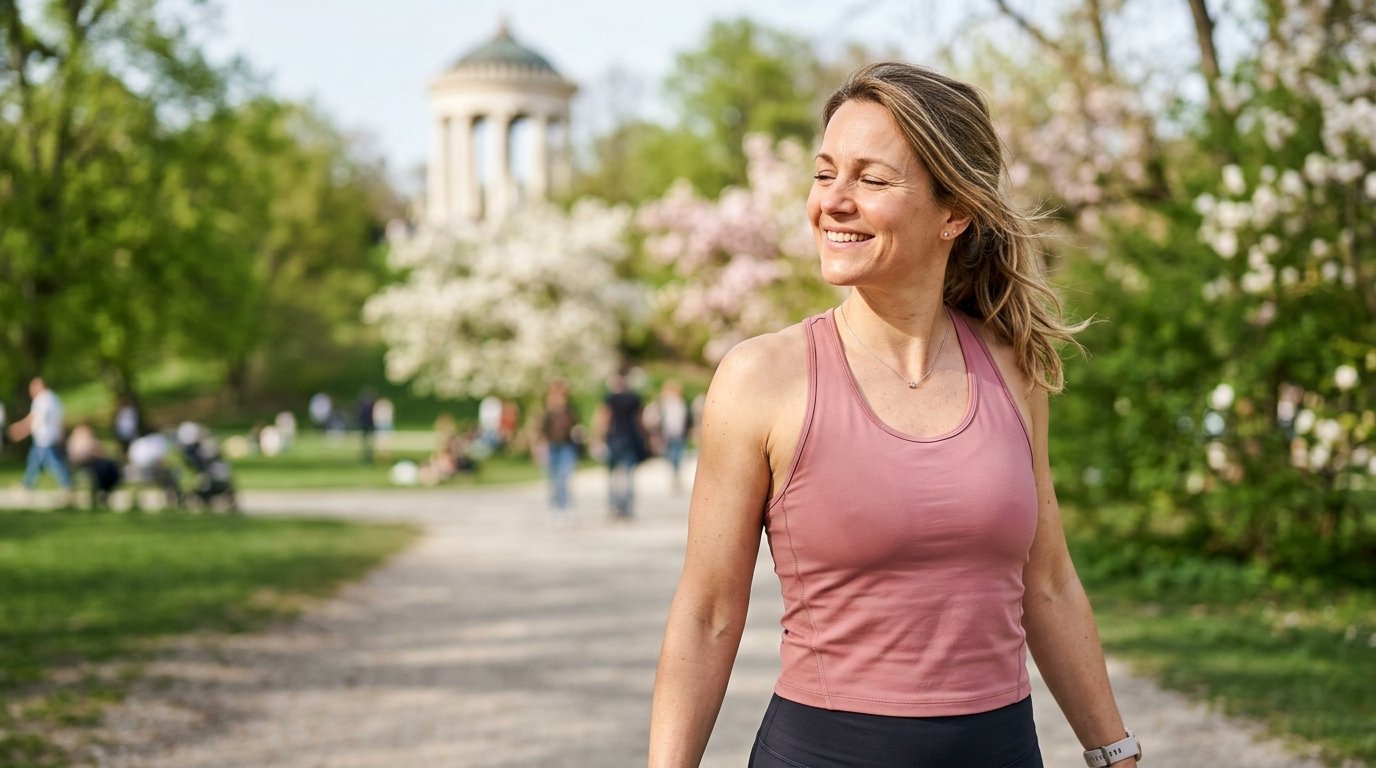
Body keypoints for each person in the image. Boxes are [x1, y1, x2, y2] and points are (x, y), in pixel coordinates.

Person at [649, 63, 1140, 768]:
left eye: (872, 180)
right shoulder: (760, 380)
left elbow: (1049, 582)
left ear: (954, 212)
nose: (834, 202)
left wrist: (1115, 752)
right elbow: (708, 616)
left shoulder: (1012, 367)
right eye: (825, 175)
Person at [8, 377, 75, 497]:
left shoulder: (42, 400)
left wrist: (20, 430)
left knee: (53, 462)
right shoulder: (53, 398)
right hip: (50, 436)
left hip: (44, 438)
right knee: (35, 461)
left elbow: (36, 419)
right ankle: (27, 484)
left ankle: (67, 484)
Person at [596, 368, 647, 521]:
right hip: (630, 439)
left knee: (613, 475)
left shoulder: (610, 398)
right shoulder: (634, 397)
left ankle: (613, 505)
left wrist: (599, 437)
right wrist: (645, 437)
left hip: (614, 438)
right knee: (628, 475)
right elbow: (639, 420)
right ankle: (626, 507)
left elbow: (605, 418)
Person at [536, 378, 582, 514]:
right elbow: (540, 430)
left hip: (567, 447)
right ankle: (556, 506)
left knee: (564, 477)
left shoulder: (570, 410)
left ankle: (565, 506)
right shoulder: (546, 411)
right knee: (553, 479)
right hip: (551, 447)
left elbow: (575, 428)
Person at [647, 379, 692, 494]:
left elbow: (686, 419)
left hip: (679, 433)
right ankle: (674, 473)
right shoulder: (665, 405)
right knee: (671, 454)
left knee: (678, 454)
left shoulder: (681, 404)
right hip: (668, 433)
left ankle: (676, 473)